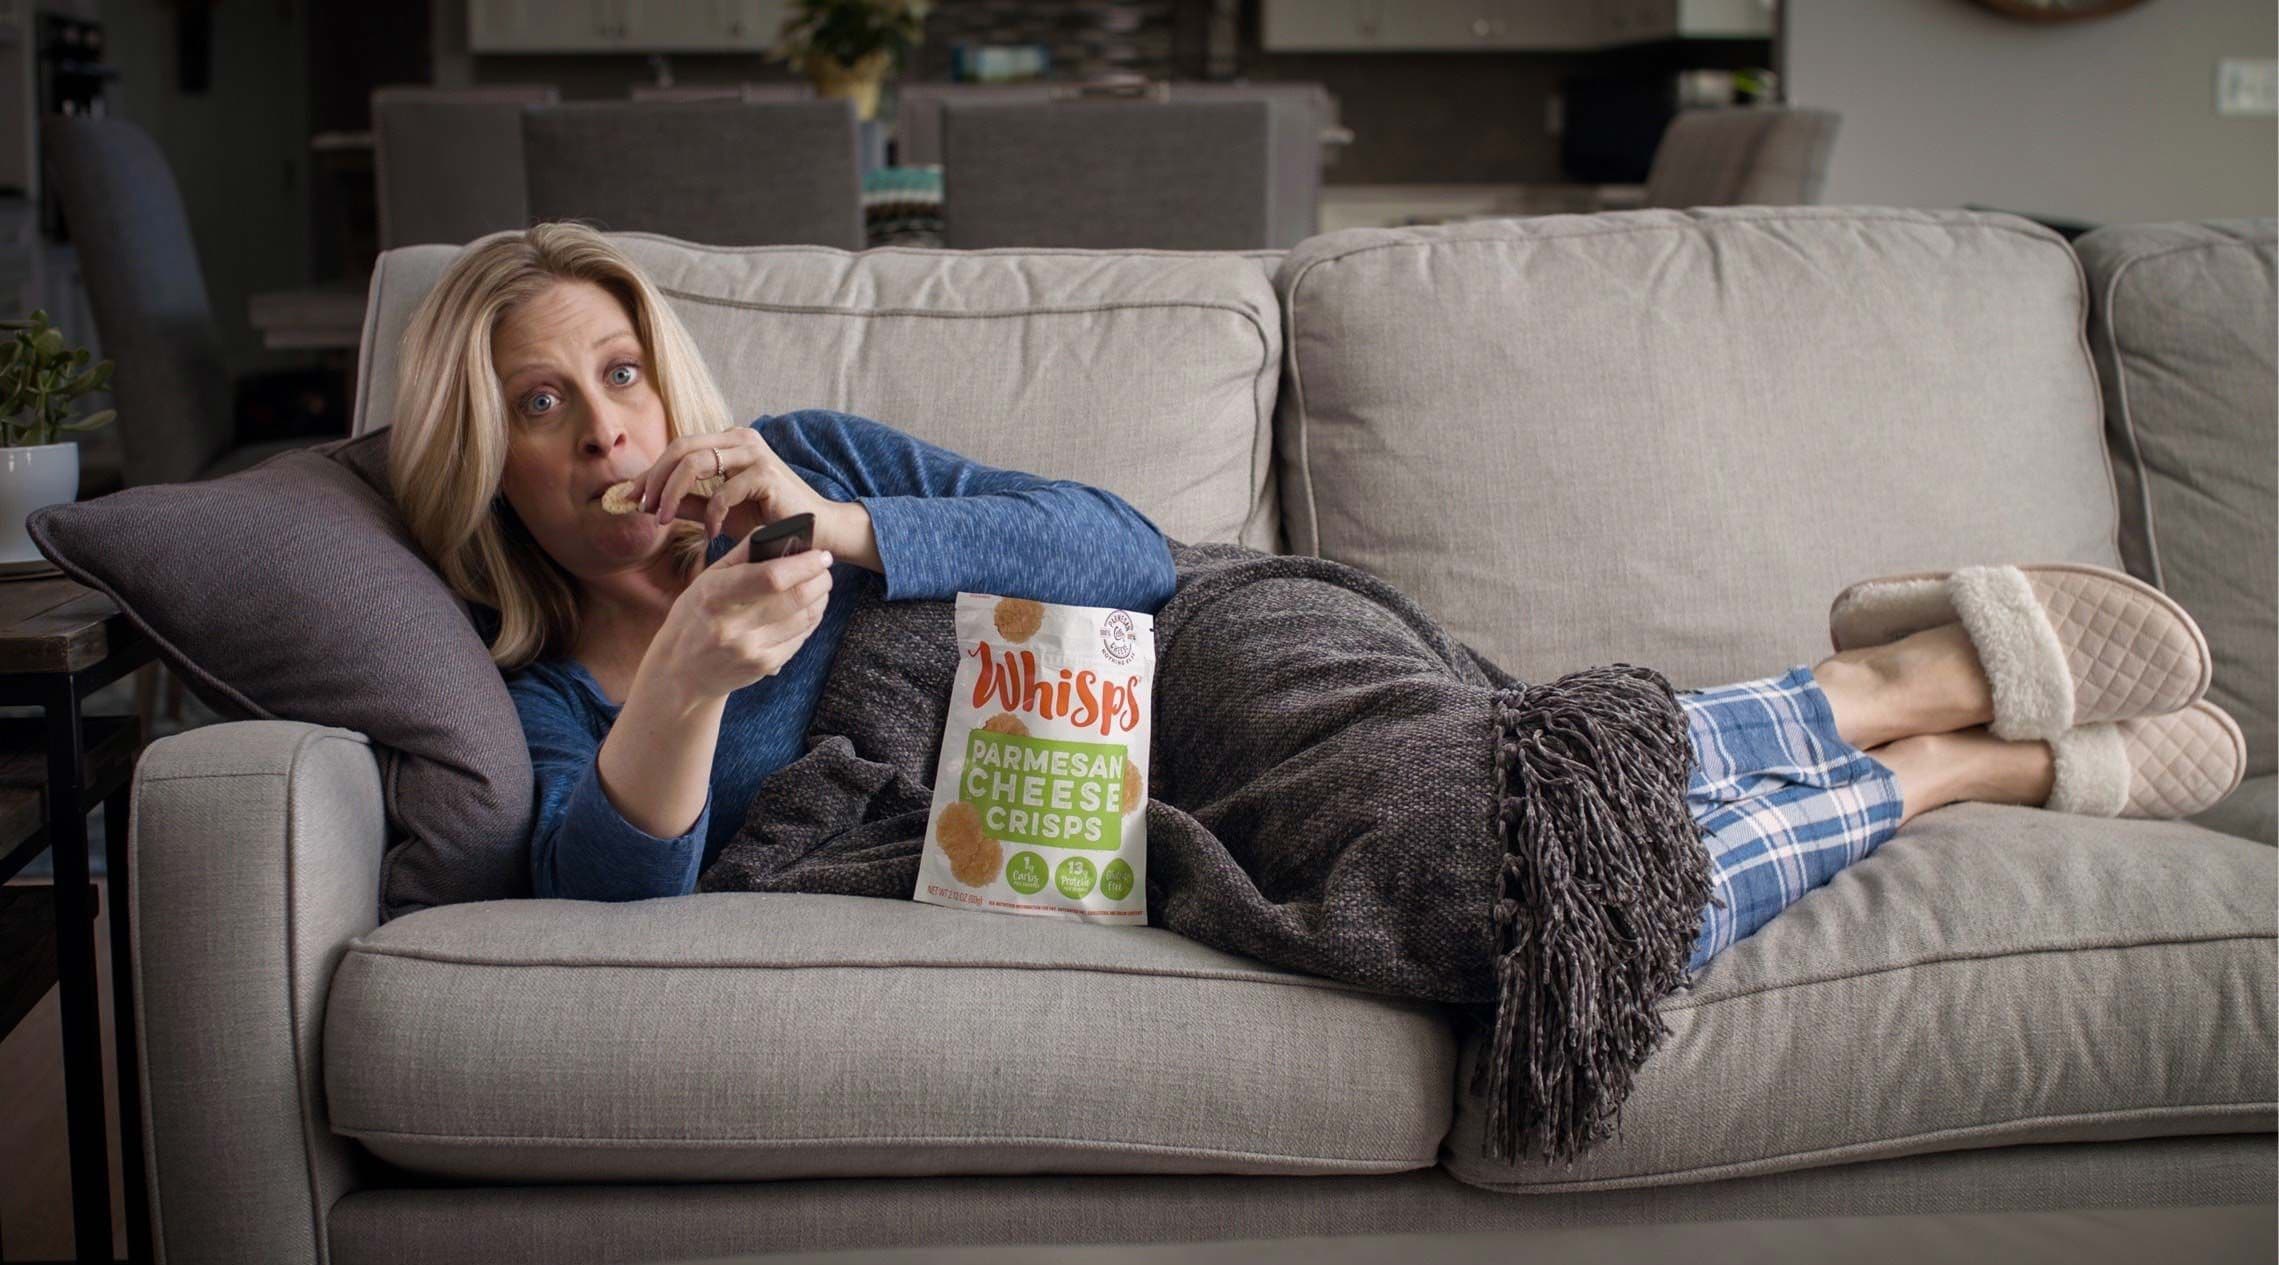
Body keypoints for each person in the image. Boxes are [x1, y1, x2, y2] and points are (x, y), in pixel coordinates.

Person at [387, 222, 2240, 979]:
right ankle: (1962, 772)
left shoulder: (802, 455)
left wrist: (855, 531)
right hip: (1112, 801)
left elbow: (1114, 547)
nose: (606, 430)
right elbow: (594, 894)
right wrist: (688, 693)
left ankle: (1875, 679)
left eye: (620, 372)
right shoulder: (544, 681)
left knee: (1458, 786)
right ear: (491, 459)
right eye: (540, 406)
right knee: (1512, 908)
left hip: (1202, 643)